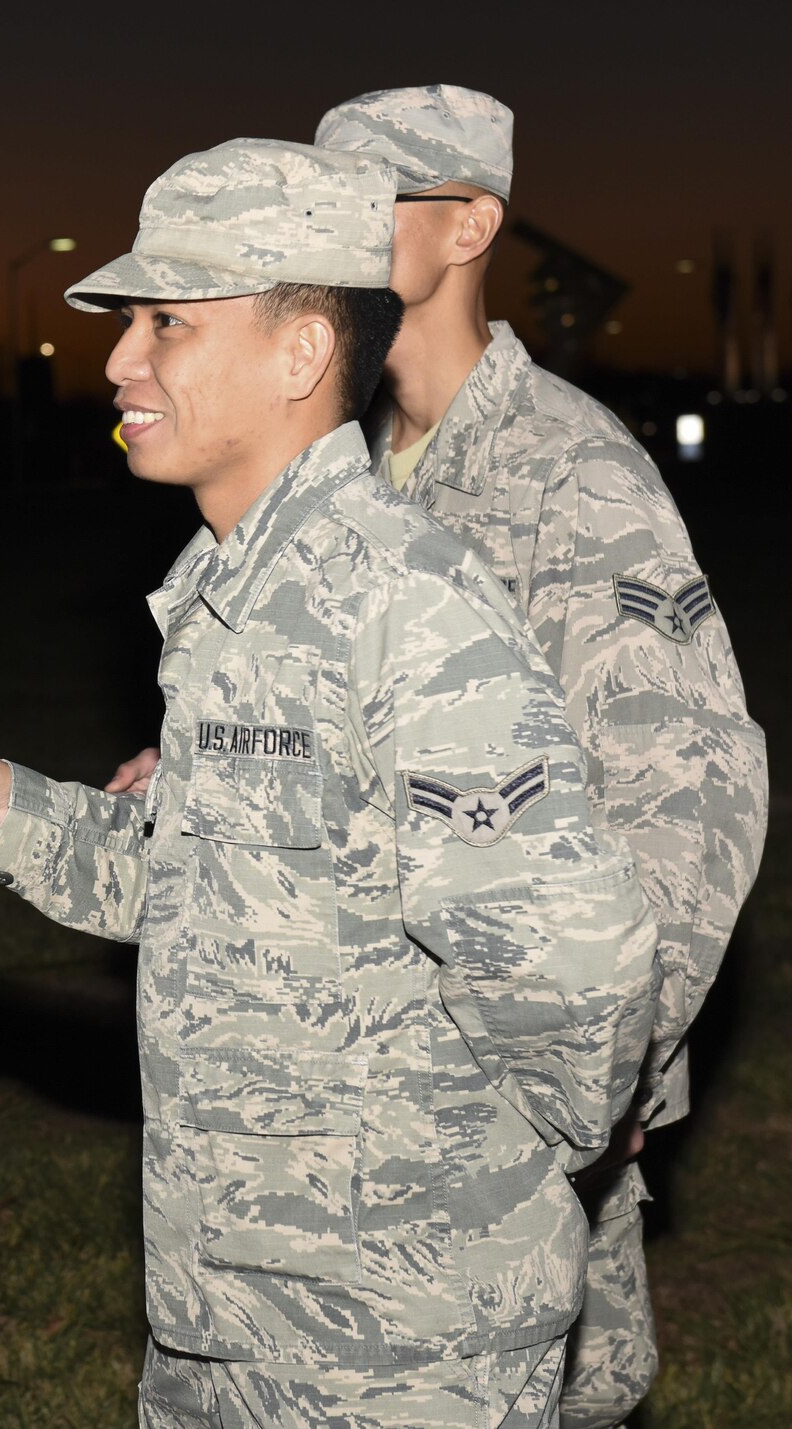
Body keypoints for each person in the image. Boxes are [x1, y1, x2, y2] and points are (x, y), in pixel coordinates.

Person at [0, 139, 656, 1427]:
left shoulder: (402, 606)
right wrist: (12, 810)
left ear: (302, 356)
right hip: (228, 1302)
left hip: (396, 1342)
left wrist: (486, 1189)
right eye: (128, 324)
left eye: (169, 323)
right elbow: (225, 889)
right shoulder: (233, 601)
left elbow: (573, 968)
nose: (122, 361)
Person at [315, 85, 770, 1428]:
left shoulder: (572, 472)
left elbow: (687, 788)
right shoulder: (340, 466)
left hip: (519, 1068)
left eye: (380, 195)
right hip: (355, 1059)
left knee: (548, 1385)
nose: (341, 223)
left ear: (472, 226)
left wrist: (621, 1055)